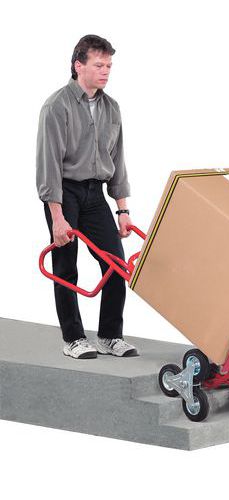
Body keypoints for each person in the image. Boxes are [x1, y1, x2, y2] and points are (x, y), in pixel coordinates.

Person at [36, 34, 138, 359]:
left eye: (109, 65)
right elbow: (49, 165)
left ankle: (109, 335)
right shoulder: (57, 106)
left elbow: (117, 160)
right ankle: (73, 339)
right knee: (66, 267)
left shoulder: (111, 107)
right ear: (78, 66)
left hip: (95, 194)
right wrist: (57, 217)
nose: (105, 71)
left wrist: (122, 210)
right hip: (64, 192)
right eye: (98, 65)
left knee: (116, 264)